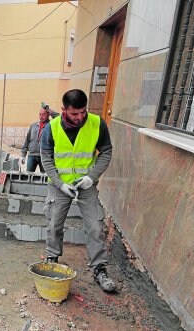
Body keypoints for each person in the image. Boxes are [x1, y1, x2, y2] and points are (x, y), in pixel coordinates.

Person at [39, 89, 116, 292]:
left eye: (83, 112)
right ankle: (52, 258)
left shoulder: (97, 124)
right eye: (75, 113)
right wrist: (59, 183)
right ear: (64, 110)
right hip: (59, 185)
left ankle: (100, 268)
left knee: (95, 226)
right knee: (54, 223)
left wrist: (92, 177)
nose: (80, 117)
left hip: (86, 184)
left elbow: (106, 152)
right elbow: (46, 158)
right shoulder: (52, 128)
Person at [21, 102, 58, 172]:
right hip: (32, 155)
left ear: (48, 115)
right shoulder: (33, 125)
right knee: (28, 176)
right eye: (40, 114)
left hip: (44, 156)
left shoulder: (52, 125)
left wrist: (49, 110)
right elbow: (27, 140)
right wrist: (23, 155)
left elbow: (59, 118)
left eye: (43, 114)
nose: (41, 116)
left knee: (44, 177)